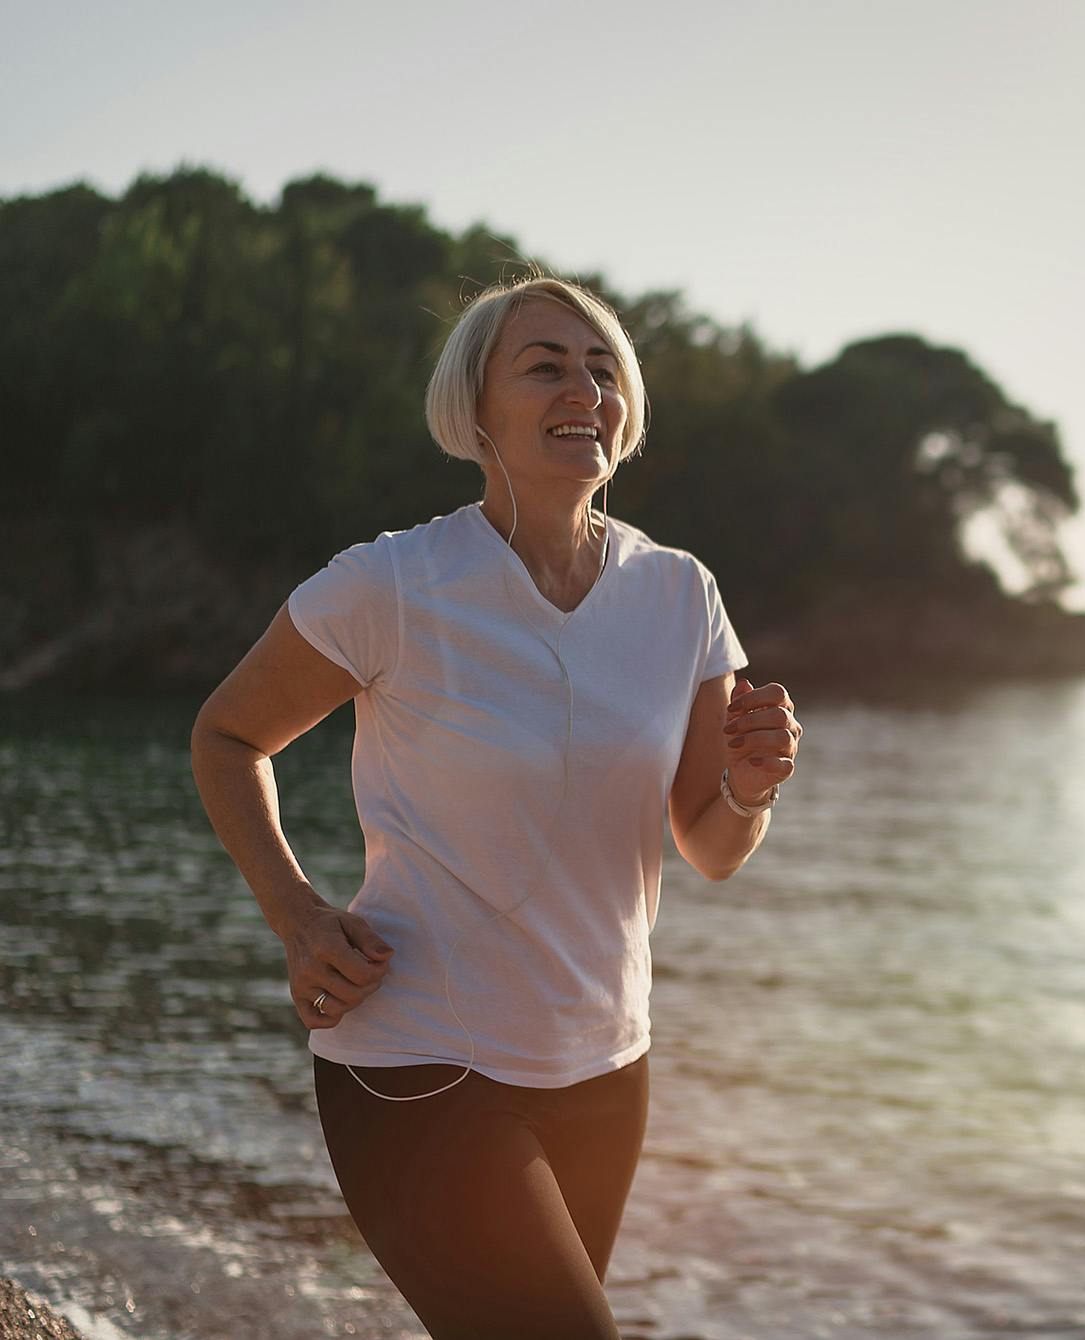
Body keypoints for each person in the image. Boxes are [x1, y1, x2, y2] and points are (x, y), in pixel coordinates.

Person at [189, 274, 803, 1339]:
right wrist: (295, 913)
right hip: (418, 1057)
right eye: (547, 365)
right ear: (474, 412)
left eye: (604, 367)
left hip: (607, 1061)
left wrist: (749, 787)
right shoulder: (394, 582)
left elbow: (710, 842)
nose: (586, 388)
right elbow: (227, 735)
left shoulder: (679, 594)